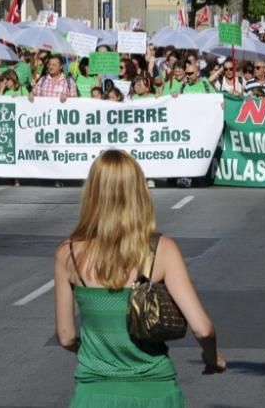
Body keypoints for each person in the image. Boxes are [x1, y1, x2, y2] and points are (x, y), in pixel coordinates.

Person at [54, 150, 226, 407]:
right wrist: (214, 359)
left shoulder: (68, 254)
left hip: (94, 394)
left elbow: (66, 336)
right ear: (138, 193)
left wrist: (98, 357)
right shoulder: (163, 250)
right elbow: (203, 328)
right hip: (155, 392)